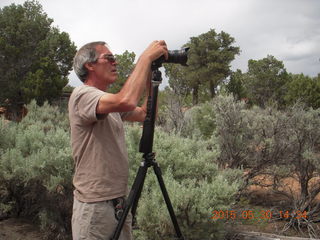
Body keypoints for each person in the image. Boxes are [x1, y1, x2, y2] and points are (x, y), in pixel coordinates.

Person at [68, 40, 168, 240]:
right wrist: (144, 58)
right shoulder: (83, 95)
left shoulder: (108, 103)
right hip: (95, 208)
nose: (115, 63)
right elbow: (126, 100)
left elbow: (146, 114)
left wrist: (150, 78)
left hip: (118, 203)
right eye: (110, 58)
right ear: (90, 65)